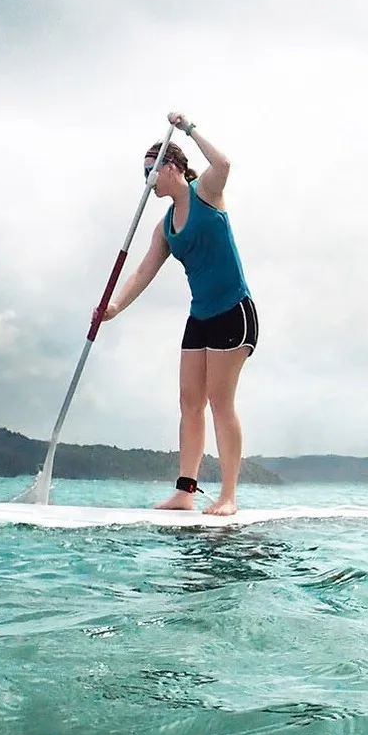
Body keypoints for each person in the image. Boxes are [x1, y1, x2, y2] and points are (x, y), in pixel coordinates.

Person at [94, 112, 258, 515]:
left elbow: (225, 164)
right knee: (189, 402)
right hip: (200, 316)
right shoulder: (164, 227)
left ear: (171, 168)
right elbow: (142, 273)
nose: (147, 183)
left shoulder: (207, 192)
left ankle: (228, 496)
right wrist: (113, 307)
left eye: (151, 173)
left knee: (221, 401)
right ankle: (186, 492)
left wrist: (189, 129)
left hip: (233, 311)